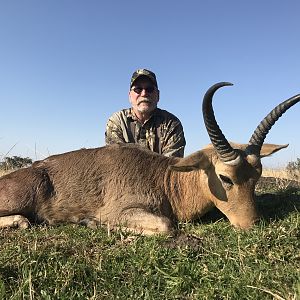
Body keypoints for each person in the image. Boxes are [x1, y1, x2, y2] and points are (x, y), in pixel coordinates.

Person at [105, 69, 186, 157]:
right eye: (138, 89)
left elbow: (171, 166)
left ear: (158, 95)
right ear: (130, 96)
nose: (144, 94)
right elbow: (116, 160)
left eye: (150, 89)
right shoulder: (117, 121)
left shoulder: (171, 123)